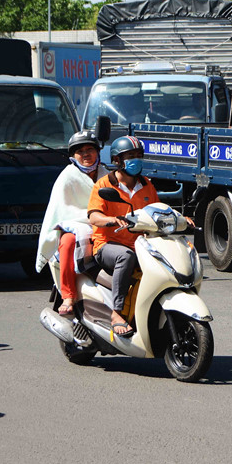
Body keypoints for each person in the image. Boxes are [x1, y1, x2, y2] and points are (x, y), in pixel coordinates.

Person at [87, 135, 158, 337]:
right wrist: (110, 219)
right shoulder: (103, 185)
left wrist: (180, 218)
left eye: (138, 155)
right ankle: (116, 313)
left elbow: (158, 210)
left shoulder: (147, 186)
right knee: (125, 256)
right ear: (117, 160)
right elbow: (93, 216)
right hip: (106, 246)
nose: (136, 160)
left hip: (140, 245)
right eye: (130, 156)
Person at [35, 131, 107, 316]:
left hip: (106, 224)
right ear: (73, 156)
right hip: (76, 225)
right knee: (67, 243)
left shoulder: (108, 175)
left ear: (98, 152)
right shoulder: (67, 176)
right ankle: (68, 295)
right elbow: (62, 211)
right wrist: (88, 218)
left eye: (90, 149)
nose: (85, 154)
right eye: (80, 151)